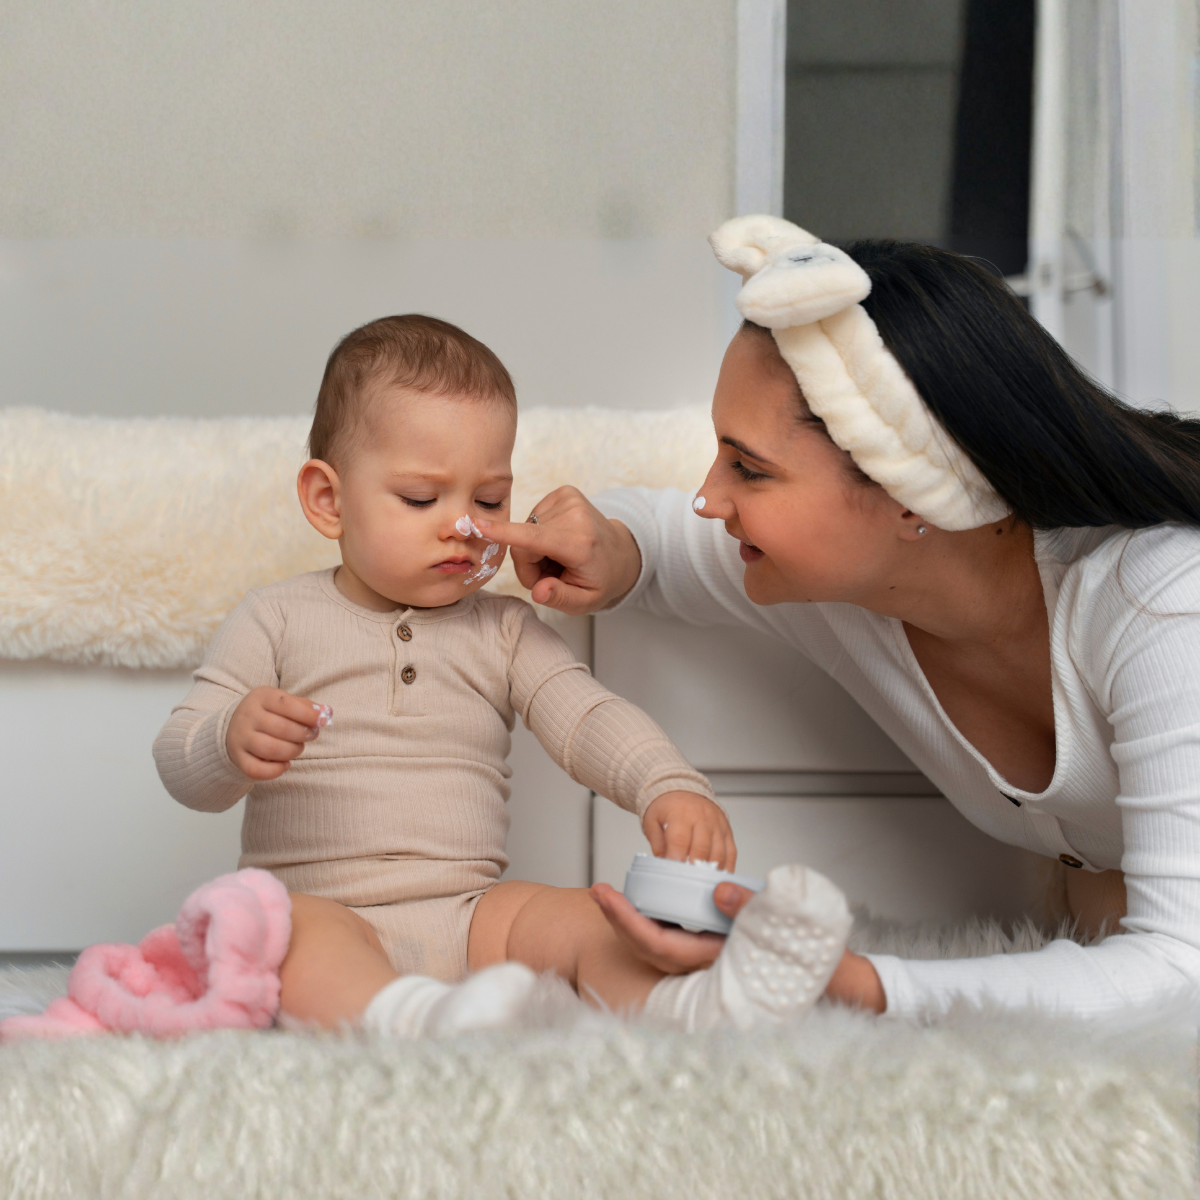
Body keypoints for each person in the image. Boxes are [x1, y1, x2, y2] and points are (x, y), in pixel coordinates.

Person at [478, 215, 1200, 1020]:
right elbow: (664, 539)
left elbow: (1185, 967)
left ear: (911, 491)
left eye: (748, 469)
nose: (709, 497)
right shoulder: (849, 586)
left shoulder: (1163, 600)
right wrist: (609, 546)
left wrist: (858, 983)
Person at [153, 313, 852, 1036]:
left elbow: (586, 717)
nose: (464, 526)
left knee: (584, 915)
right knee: (281, 936)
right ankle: (411, 1019)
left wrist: (667, 784)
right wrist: (228, 741)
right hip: (328, 910)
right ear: (328, 500)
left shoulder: (502, 629)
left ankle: (689, 1005)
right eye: (423, 499)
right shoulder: (277, 618)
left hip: (469, 915)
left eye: (489, 500)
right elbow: (180, 765)